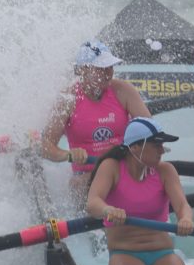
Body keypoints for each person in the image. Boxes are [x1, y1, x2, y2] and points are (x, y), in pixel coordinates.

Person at [86, 117, 194, 265]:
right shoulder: (112, 167)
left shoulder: (166, 171)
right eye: (157, 145)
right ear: (136, 147)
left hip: (162, 252)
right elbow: (93, 203)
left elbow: (182, 205)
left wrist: (186, 219)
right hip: (125, 253)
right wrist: (108, 209)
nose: (162, 151)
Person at [41, 40, 151, 204]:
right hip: (87, 175)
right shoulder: (67, 99)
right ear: (83, 70)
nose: (109, 73)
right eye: (101, 68)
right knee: (79, 185)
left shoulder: (123, 90)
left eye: (110, 66)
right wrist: (68, 155)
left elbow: (151, 131)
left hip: (123, 167)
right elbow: (46, 146)